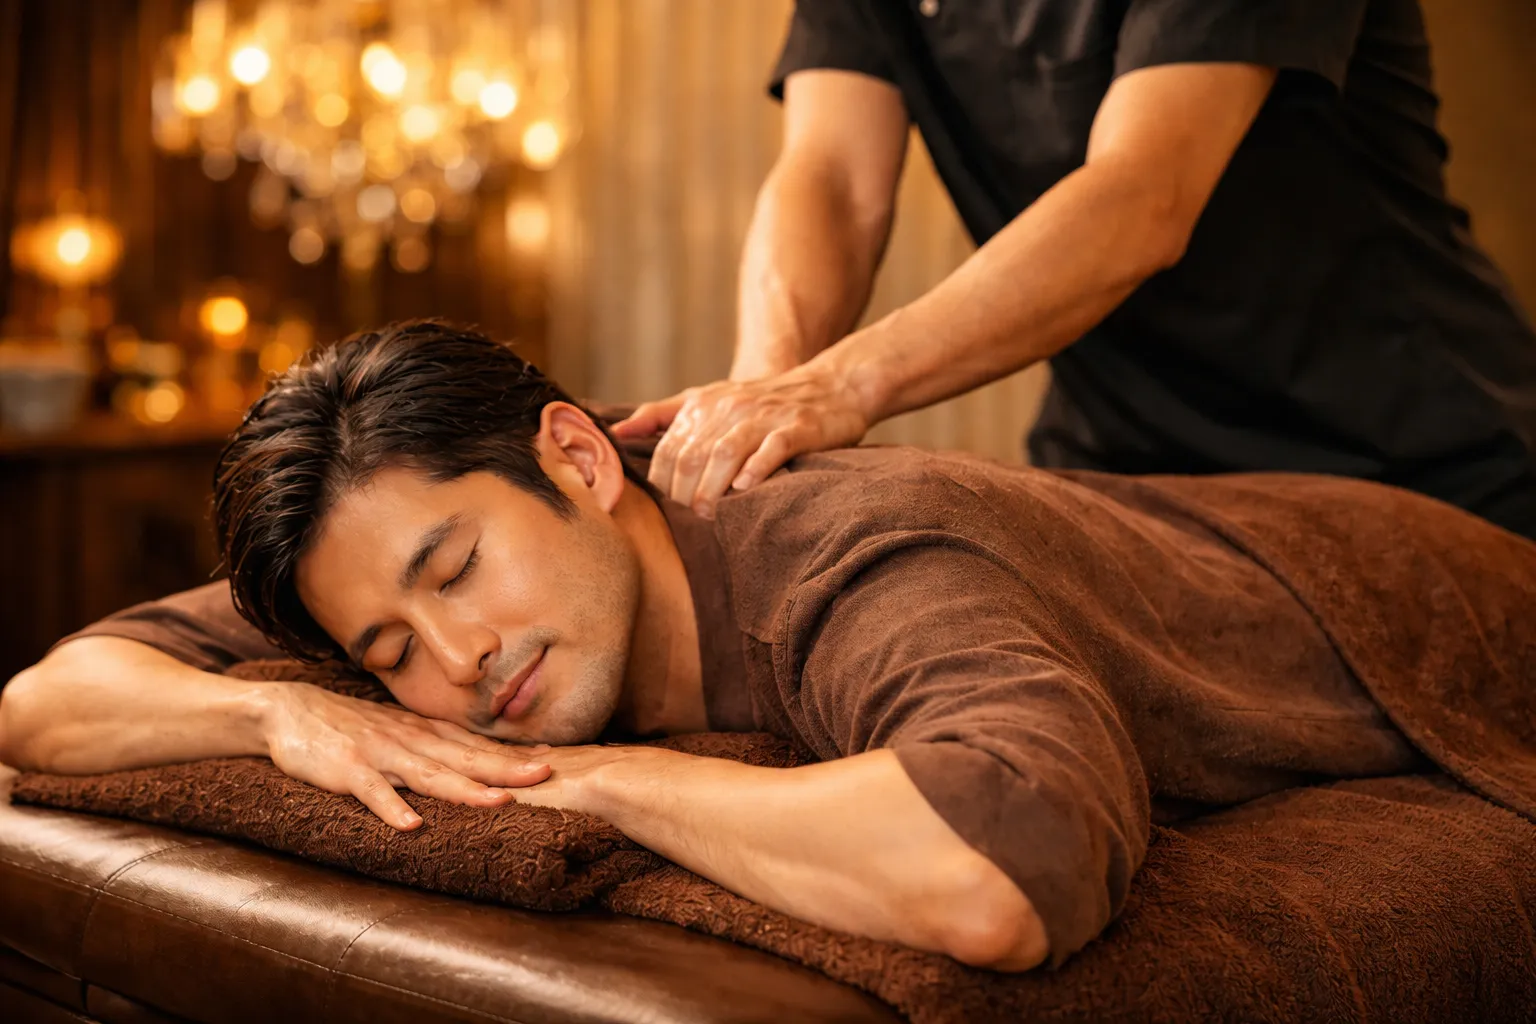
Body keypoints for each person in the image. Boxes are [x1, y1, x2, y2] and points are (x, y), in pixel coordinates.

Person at [1, 322, 1532, 971]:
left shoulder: (851, 553)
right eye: (386, 648)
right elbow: (44, 701)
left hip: (1429, 599)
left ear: (580, 458)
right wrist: (276, 720)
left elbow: (1004, 873)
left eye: (456, 569)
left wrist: (597, 786)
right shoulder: (386, 584)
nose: (453, 662)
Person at [613, 0, 1536, 539]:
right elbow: (835, 178)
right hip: (1123, 463)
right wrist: (757, 405)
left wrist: (841, 385)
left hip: (1406, 462)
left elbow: (1145, 195)